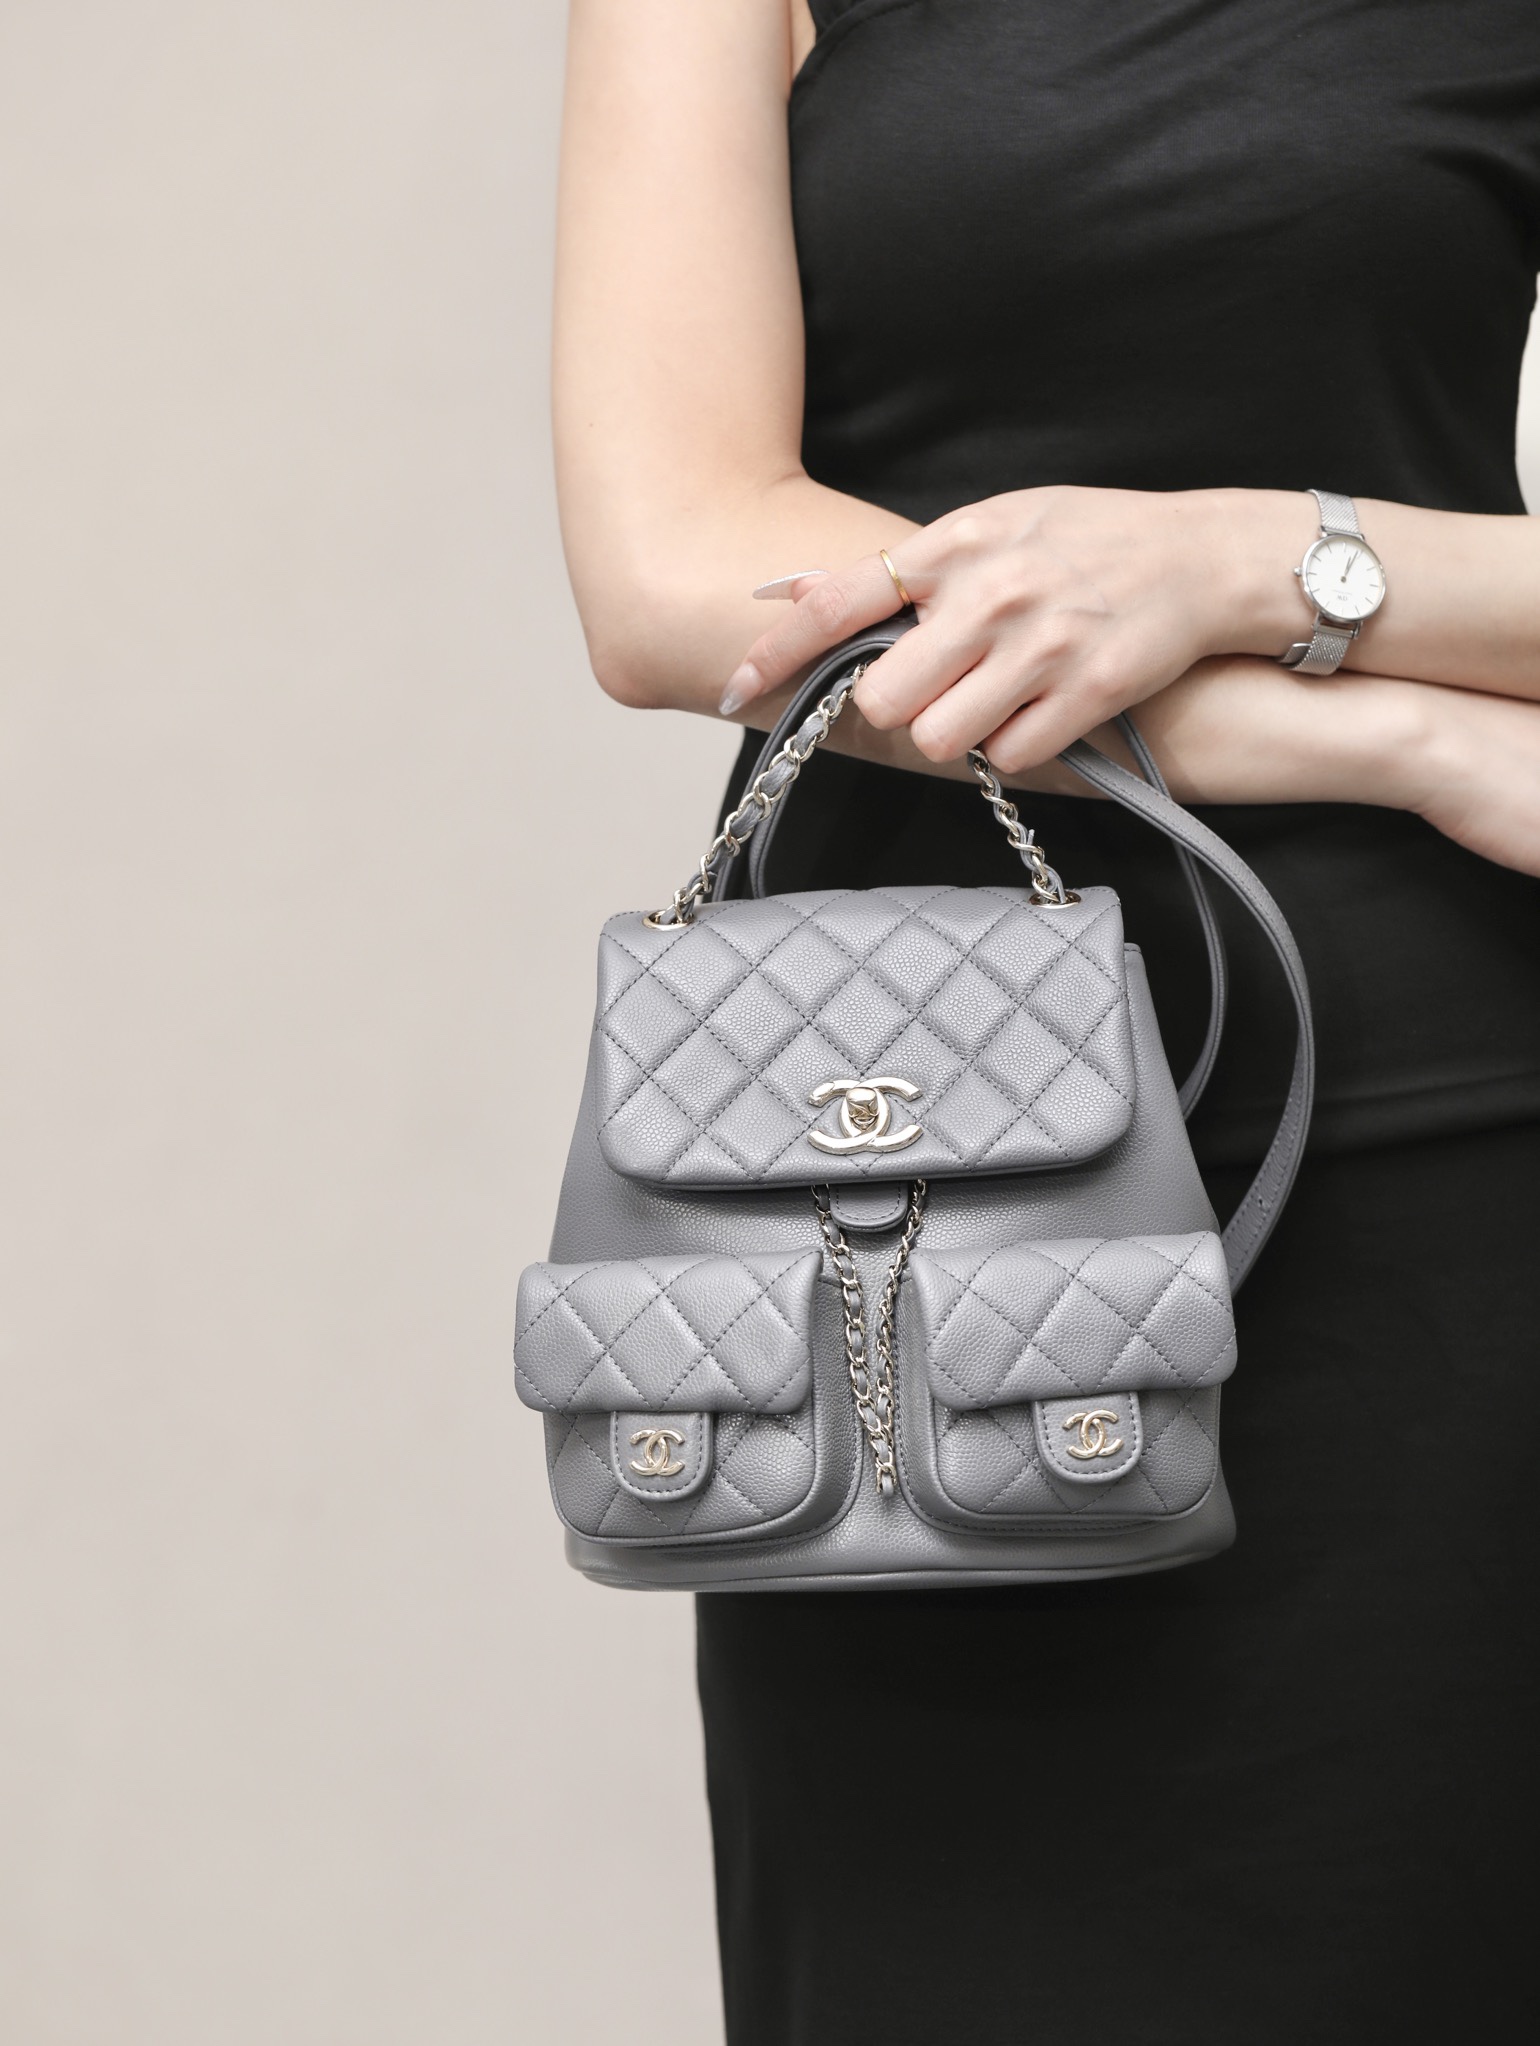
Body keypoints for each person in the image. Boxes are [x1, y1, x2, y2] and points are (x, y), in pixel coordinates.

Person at [552, 3, 1540, 2039]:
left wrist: (1251, 557)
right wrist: (1409, 739)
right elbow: (678, 575)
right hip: (891, 1184)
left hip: (1452, 1153)